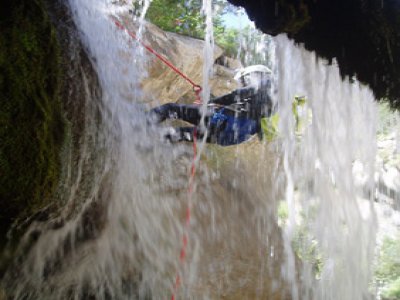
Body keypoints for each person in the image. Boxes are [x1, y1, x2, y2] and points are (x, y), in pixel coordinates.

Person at [147, 65, 275, 146]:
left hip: (224, 122)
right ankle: (144, 142)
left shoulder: (266, 82)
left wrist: (208, 102)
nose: (243, 83)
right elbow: (233, 106)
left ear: (255, 74)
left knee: (172, 109)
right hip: (229, 137)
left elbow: (236, 95)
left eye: (244, 80)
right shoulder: (272, 104)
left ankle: (141, 123)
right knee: (179, 134)